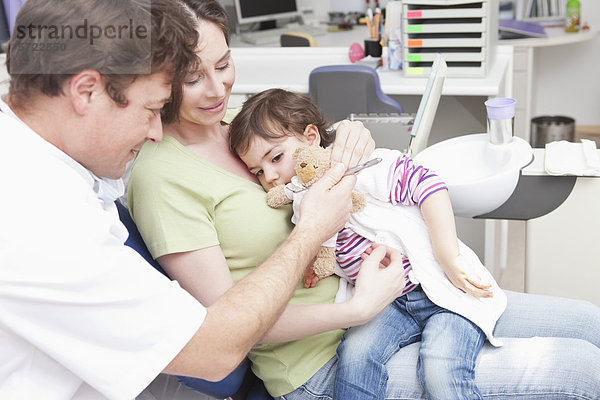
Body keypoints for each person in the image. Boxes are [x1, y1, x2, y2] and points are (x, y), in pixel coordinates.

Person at [127, 1, 600, 400]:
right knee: (580, 369)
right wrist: (357, 310)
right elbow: (223, 334)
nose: (216, 89)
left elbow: (311, 152)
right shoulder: (161, 177)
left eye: (225, 64)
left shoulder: (235, 124)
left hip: (398, 295)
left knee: (591, 325)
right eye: (192, 78)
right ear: (159, 78)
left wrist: (349, 134)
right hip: (325, 360)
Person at [0, 1, 398, 399]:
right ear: (85, 92)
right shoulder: (37, 220)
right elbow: (213, 350)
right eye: (153, 108)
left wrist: (346, 139)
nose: (157, 131)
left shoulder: (47, 165)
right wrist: (313, 229)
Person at [229, 88, 512, 399]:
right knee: (355, 357)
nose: (269, 176)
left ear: (311, 138)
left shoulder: (362, 170)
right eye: (257, 171)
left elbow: (428, 185)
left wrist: (449, 256)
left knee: (440, 367)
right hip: (387, 305)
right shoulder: (302, 206)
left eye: (276, 158)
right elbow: (322, 247)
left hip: (439, 288)